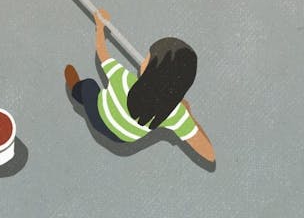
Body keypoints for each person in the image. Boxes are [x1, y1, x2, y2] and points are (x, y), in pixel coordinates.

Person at [64, 9, 215, 163]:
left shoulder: (123, 80)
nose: (143, 60)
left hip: (99, 116)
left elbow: (102, 53)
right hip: (121, 138)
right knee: (94, 90)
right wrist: (189, 117)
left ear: (152, 67)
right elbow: (209, 154)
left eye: (147, 58)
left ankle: (75, 88)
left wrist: (100, 27)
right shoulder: (174, 113)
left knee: (89, 86)